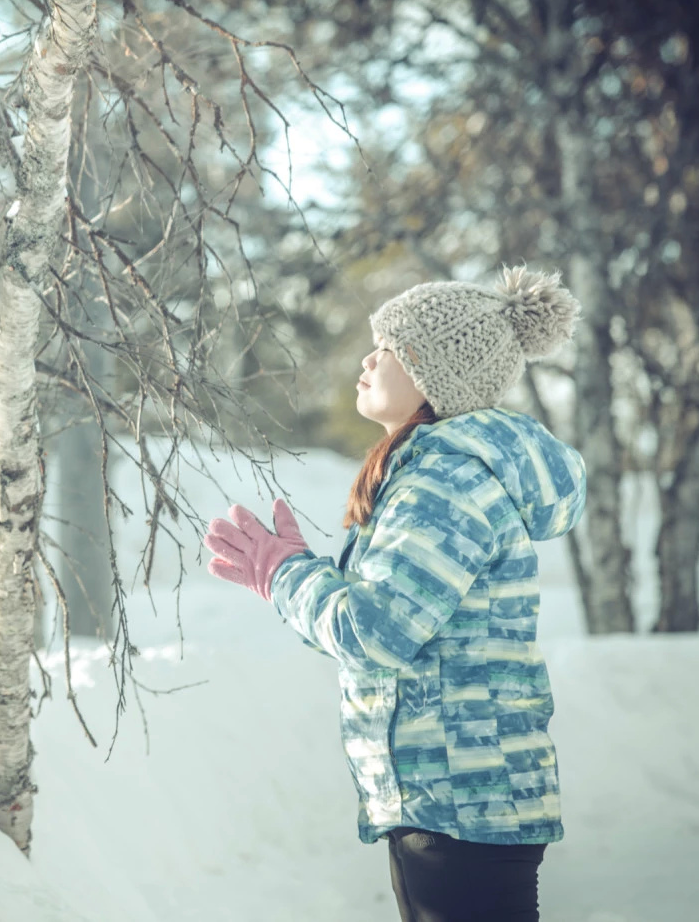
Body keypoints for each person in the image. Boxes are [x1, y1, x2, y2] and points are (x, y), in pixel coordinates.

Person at [204, 267, 587, 922]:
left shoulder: (444, 482)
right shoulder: (437, 474)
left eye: (389, 347)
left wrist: (287, 574)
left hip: (460, 797)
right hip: (460, 796)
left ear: (436, 375)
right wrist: (298, 574)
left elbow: (376, 632)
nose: (367, 358)